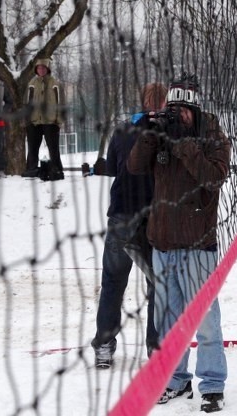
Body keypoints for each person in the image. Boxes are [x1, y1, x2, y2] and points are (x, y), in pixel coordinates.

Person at [127, 73, 231, 414]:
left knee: (205, 320)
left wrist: (184, 147)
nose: (177, 116)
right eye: (172, 109)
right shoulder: (159, 133)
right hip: (162, 243)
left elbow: (214, 177)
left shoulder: (212, 133)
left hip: (197, 245)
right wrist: (150, 136)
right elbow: (134, 167)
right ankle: (175, 379)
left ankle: (212, 383)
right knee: (168, 320)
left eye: (182, 110)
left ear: (195, 109)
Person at [88, 82, 167, 369]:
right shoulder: (166, 131)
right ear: (164, 102)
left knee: (112, 283)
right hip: (151, 217)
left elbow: (111, 168)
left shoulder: (122, 130)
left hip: (121, 213)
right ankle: (156, 348)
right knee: (157, 285)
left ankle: (105, 345)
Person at [22, 57, 64, 179]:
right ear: (36, 69)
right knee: (32, 148)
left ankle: (57, 169)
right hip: (34, 121)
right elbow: (26, 103)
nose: (41, 70)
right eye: (39, 68)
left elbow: (61, 103)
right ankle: (31, 169)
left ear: (48, 69)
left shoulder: (55, 84)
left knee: (53, 148)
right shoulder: (31, 84)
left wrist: (59, 120)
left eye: (43, 68)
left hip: (51, 121)